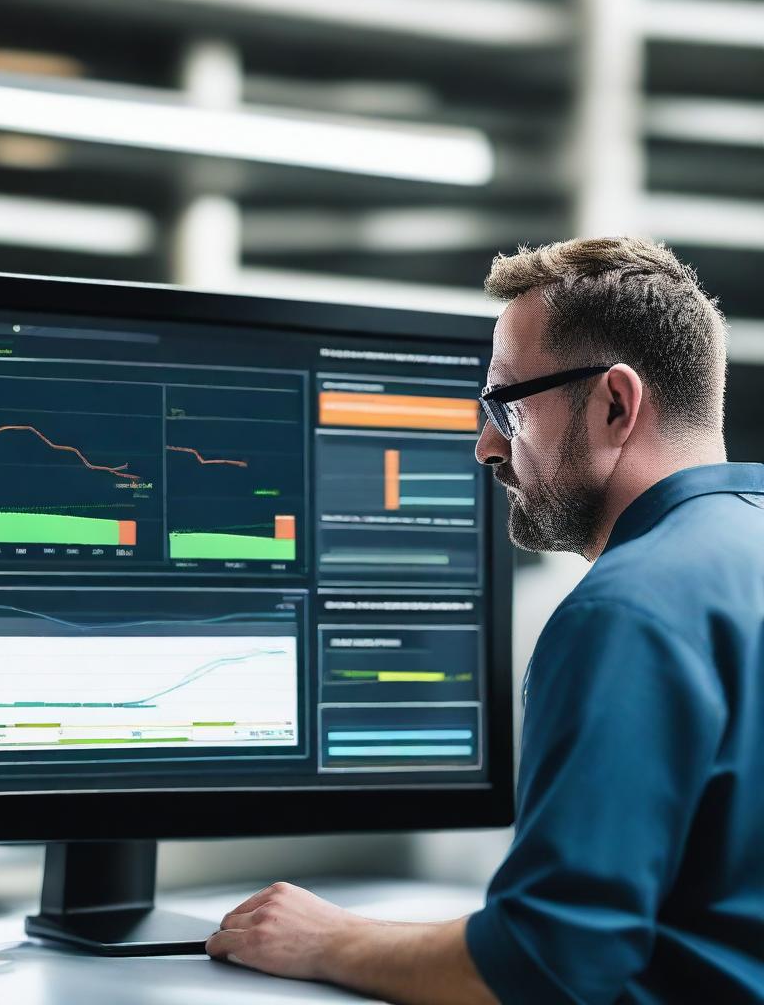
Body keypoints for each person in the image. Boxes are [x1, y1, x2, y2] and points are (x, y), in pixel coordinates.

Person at [206, 237, 764, 1004]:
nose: (486, 445)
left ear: (615, 403)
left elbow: (549, 962)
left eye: (508, 404)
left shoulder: (629, 611)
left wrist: (328, 941)